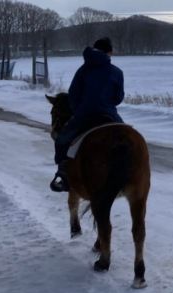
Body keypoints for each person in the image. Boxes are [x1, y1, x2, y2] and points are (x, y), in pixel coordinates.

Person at [50, 37, 125, 192]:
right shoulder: (117, 72)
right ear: (109, 52)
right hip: (109, 115)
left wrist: (79, 111)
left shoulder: (83, 70)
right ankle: (128, 173)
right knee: (126, 137)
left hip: (85, 115)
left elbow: (73, 95)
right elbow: (118, 98)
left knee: (62, 140)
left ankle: (63, 174)